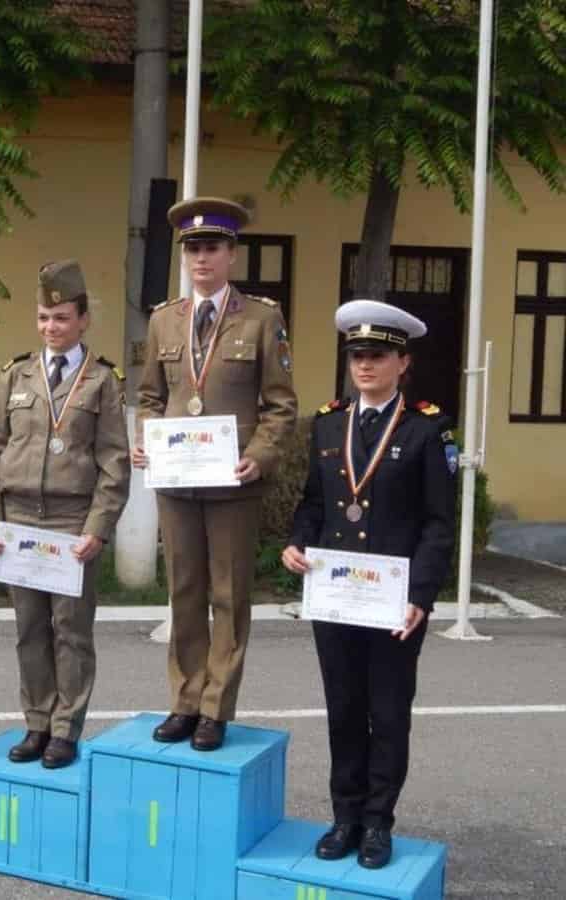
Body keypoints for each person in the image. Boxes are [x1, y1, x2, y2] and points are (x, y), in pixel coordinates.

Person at [281, 299, 456, 869]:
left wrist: (421, 599)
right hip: (336, 597)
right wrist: (296, 542)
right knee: (343, 710)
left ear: (402, 362)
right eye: (356, 355)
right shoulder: (330, 422)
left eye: (377, 355)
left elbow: (437, 523)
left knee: (388, 712)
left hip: (391, 603)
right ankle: (345, 817)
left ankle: (379, 823)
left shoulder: (427, 430)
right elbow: (314, 502)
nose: (364, 365)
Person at [132, 197, 297, 751]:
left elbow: (280, 405)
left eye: (212, 248)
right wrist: (147, 439)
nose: (201, 258)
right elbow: (152, 396)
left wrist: (261, 454)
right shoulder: (164, 319)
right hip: (178, 480)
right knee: (183, 589)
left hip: (234, 481)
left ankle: (216, 707)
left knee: (228, 594)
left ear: (231, 254)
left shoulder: (262, 318)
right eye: (193, 249)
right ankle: (184, 699)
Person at [0, 259, 130, 769]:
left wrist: (98, 529)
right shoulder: (14, 374)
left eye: (61, 318)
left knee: (70, 630)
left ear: (83, 320)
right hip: (19, 518)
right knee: (29, 629)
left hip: (70, 523)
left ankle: (65, 728)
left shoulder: (103, 381)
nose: (51, 328)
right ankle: (36, 722)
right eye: (44, 318)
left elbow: (114, 461)